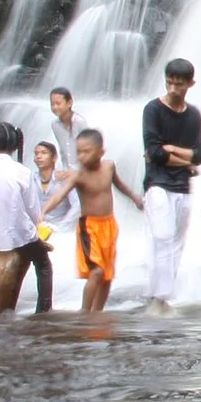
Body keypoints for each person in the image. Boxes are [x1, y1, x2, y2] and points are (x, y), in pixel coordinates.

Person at [42, 128, 142, 313]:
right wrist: (43, 211)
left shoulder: (109, 166)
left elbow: (120, 185)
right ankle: (85, 312)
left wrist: (135, 197)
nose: (81, 156)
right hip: (89, 227)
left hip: (109, 225)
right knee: (95, 272)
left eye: (86, 151)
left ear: (100, 152)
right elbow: (59, 195)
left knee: (106, 275)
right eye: (78, 151)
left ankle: (97, 313)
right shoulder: (79, 176)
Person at [141, 57, 201, 314]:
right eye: (169, 82)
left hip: (182, 188)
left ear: (190, 84)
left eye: (179, 84)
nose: (173, 89)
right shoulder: (153, 110)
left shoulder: (193, 115)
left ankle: (162, 298)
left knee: (176, 243)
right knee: (162, 238)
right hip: (158, 184)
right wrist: (187, 163)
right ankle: (157, 298)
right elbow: (154, 151)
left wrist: (174, 151)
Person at [0, 123, 51, 315]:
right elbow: (33, 210)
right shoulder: (21, 171)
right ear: (15, 146)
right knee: (43, 264)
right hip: (19, 236)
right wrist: (38, 230)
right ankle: (43, 310)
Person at [33, 142, 77, 231]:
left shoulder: (64, 178)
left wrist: (62, 227)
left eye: (43, 153)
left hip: (60, 228)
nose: (39, 156)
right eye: (36, 153)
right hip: (37, 229)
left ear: (54, 157)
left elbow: (77, 205)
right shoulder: (30, 179)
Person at [44, 86, 88, 168]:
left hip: (83, 171)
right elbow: (63, 151)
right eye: (52, 104)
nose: (55, 107)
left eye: (58, 103)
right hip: (67, 171)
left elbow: (90, 149)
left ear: (69, 103)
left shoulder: (79, 122)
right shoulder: (55, 125)